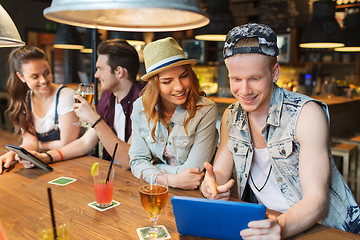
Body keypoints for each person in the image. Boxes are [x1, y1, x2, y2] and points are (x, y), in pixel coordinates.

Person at [200, 23, 360, 238]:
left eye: (255, 79)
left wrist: (281, 226)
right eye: (236, 79)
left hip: (327, 229)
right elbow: (219, 172)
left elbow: (317, 200)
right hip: (267, 222)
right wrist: (211, 186)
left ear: (274, 72)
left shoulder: (306, 114)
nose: (244, 91)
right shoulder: (232, 115)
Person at [26, 39, 144, 169]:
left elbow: (128, 160)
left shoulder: (144, 101)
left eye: (100, 69)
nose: (96, 75)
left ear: (119, 72)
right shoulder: (108, 98)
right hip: (113, 172)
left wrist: (95, 119)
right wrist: (48, 157)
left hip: (140, 180)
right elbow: (86, 142)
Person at [129, 37, 218, 190]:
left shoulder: (206, 110)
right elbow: (136, 162)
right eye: (167, 81)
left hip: (196, 195)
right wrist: (171, 179)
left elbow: (193, 172)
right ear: (154, 85)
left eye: (183, 76)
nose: (179, 87)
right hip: (158, 190)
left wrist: (153, 167)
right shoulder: (140, 107)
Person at [0, 45, 80, 173]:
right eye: (35, 76)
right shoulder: (25, 99)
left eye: (47, 72)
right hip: (41, 163)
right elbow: (30, 142)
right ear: (21, 77)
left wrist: (37, 146)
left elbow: (67, 143)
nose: (44, 80)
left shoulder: (66, 96)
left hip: (72, 164)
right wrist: (14, 154)